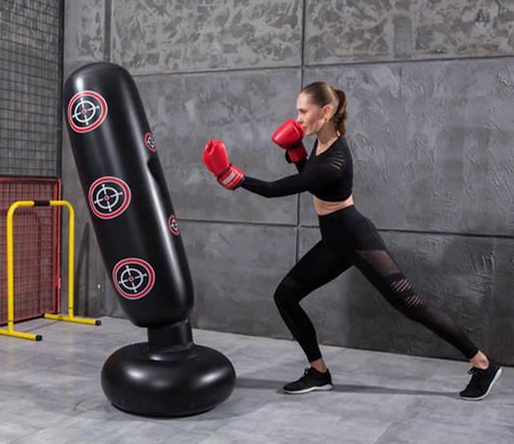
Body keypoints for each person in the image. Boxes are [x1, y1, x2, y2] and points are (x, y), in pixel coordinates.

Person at [202, 81, 502, 401]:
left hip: (357, 239)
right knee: (286, 296)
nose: (298, 119)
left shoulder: (336, 160)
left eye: (303, 111)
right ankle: (319, 372)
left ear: (325, 111)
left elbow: (280, 189)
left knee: (412, 306)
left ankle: (483, 364)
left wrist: (231, 177)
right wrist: (297, 151)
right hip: (335, 242)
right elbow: (312, 181)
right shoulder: (322, 143)